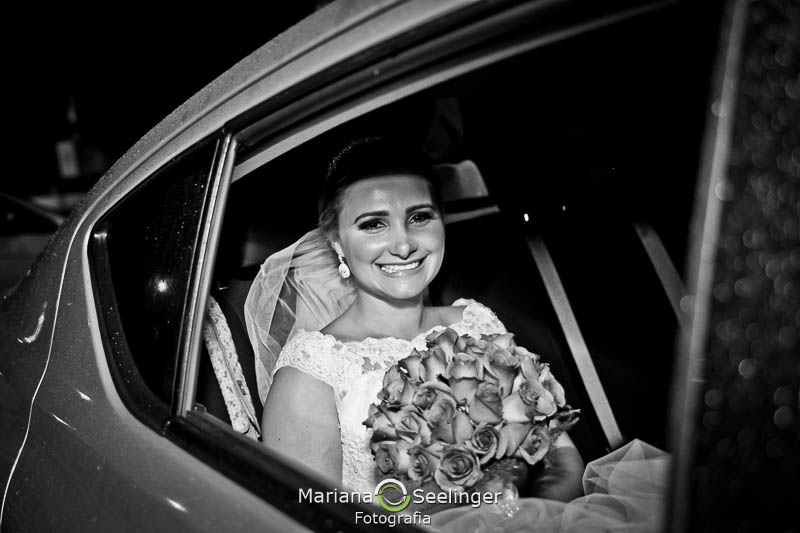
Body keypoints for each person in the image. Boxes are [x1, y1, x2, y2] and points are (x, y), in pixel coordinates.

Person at [245, 137, 668, 529]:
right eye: (374, 224)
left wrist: (512, 520)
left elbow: (563, 458)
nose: (404, 244)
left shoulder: (476, 322)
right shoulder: (309, 374)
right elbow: (312, 522)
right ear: (337, 242)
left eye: (419, 217)